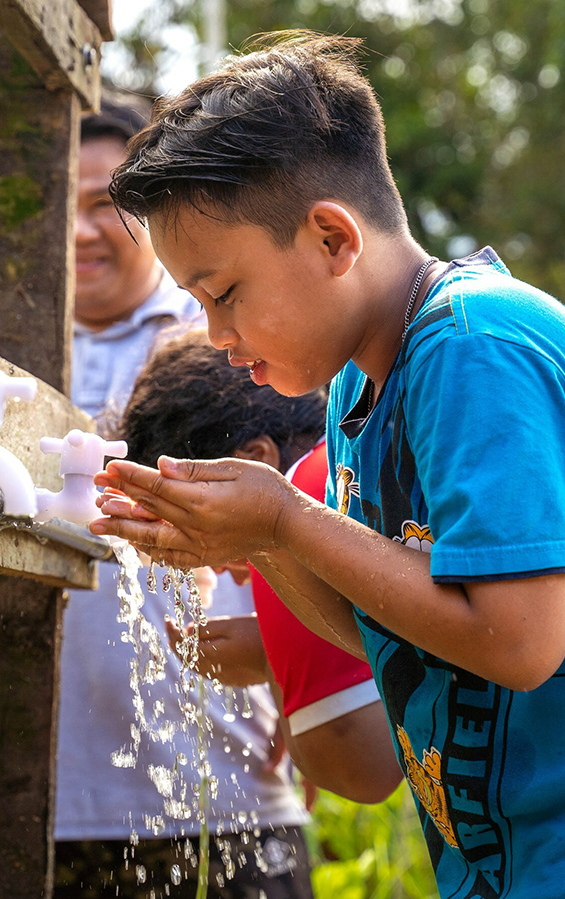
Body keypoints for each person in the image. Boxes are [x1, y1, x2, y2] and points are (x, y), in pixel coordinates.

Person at [89, 33, 565, 899]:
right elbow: (399, 637)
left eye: (223, 292)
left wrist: (284, 521)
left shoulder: (474, 351)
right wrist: (257, 546)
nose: (217, 334)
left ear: (332, 238)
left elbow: (521, 642)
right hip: (539, 867)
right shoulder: (361, 386)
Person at [0, 94, 313, 899]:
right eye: (54, 206)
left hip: (223, 781)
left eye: (102, 205)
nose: (77, 230)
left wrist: (312, 673)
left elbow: (308, 491)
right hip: (35, 790)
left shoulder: (220, 328)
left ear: (153, 210)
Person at [118, 329, 403, 804]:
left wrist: (273, 656)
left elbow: (361, 771)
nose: (226, 570)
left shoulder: (294, 503)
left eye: (196, 526)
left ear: (255, 462)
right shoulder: (357, 458)